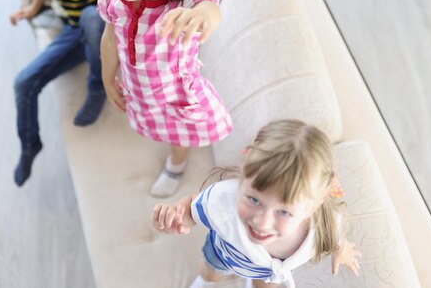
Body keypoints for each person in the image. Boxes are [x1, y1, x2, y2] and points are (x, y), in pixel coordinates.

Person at [98, 0, 236, 197]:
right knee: (154, 125)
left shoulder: (183, 1)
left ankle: (176, 163)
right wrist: (107, 76)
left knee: (178, 133)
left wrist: (203, 16)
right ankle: (171, 151)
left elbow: (208, 5)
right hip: (138, 87)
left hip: (175, 93)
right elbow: (110, 36)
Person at [152, 119, 361, 288]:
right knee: (210, 273)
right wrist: (176, 217)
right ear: (242, 178)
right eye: (253, 199)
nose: (261, 222)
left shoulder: (325, 227)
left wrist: (342, 250)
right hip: (223, 254)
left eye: (284, 212)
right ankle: (206, 282)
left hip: (269, 273)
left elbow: (336, 237)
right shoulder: (222, 199)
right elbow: (191, 209)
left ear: (313, 207)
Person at [0, 0, 110, 186]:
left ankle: (98, 88)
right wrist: (33, 9)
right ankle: (30, 146)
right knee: (23, 82)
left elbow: (122, 4)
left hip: (104, 30)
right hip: (73, 30)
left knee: (90, 16)